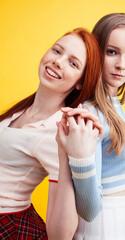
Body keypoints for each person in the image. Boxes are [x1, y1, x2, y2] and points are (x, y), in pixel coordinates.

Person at [0, 28, 103, 240]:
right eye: (57, 51)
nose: (58, 61)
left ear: (80, 83)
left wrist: (66, 152)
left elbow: (61, 236)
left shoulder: (57, 131)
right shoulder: (22, 110)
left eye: (73, 63)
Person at [58, 13, 125, 239]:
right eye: (112, 52)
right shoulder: (89, 114)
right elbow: (88, 210)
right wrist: (79, 158)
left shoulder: (112, 105)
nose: (121, 65)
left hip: (123, 225)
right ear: (96, 53)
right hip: (101, 228)